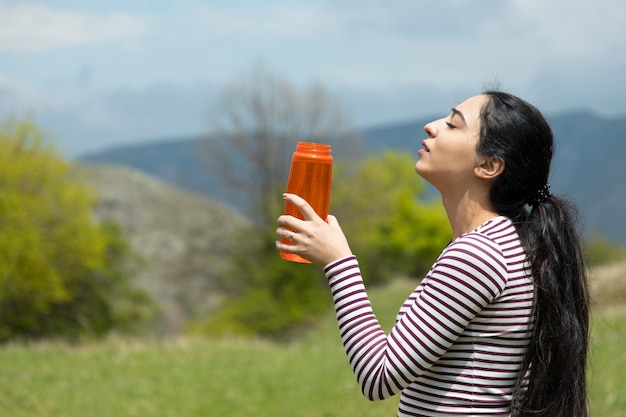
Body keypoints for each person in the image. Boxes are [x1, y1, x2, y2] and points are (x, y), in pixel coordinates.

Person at [275, 91, 590, 417]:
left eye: (453, 125)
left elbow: (378, 377)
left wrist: (338, 262)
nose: (431, 127)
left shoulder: (478, 255)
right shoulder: (507, 241)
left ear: (488, 165)